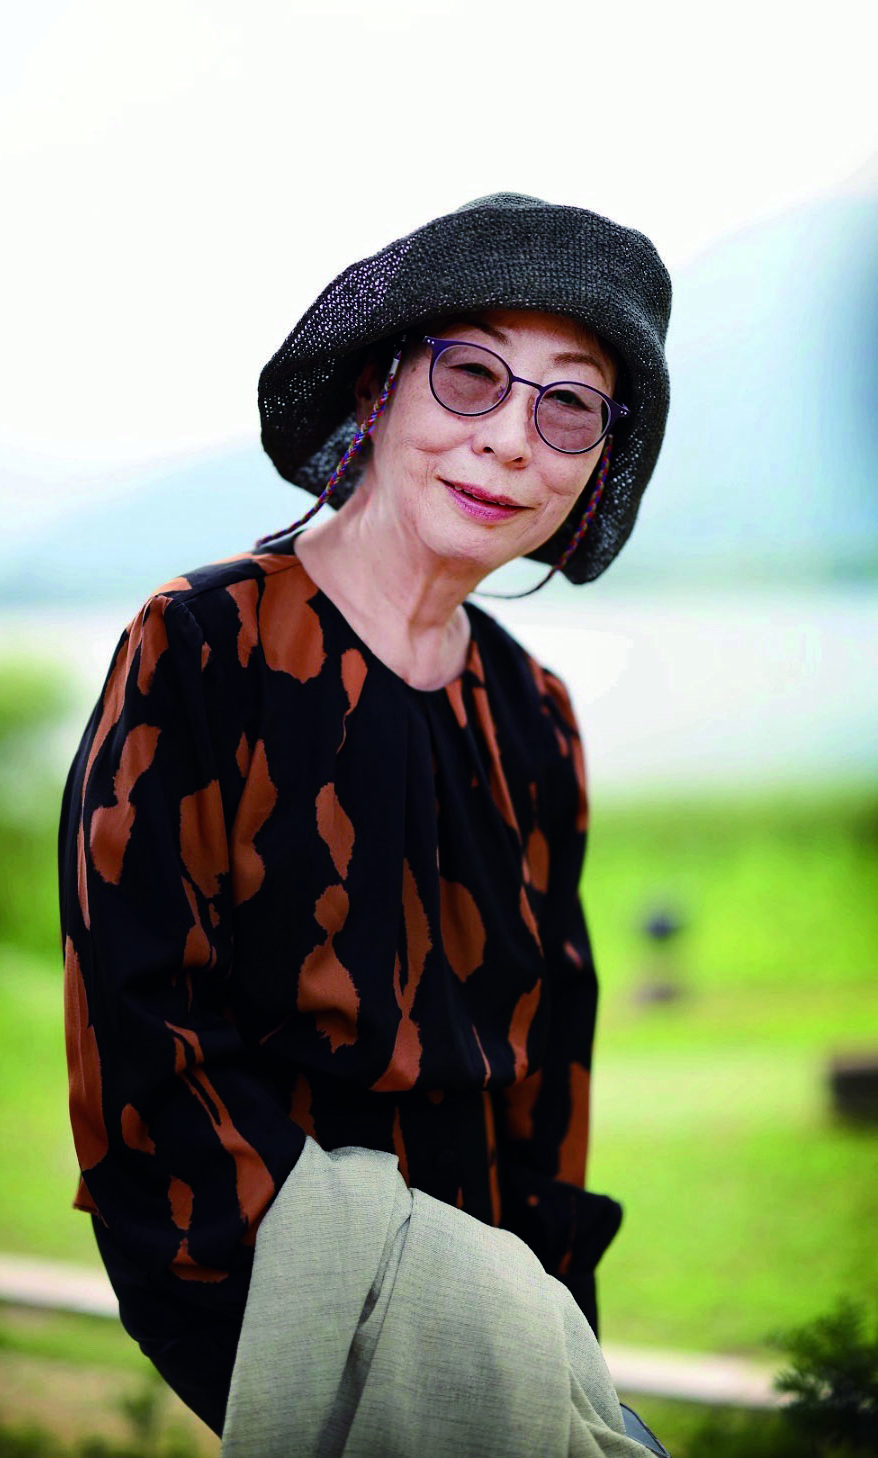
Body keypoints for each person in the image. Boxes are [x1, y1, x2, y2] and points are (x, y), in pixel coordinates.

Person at [59, 193, 672, 1451]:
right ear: (378, 390)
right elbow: (140, 1034)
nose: (512, 442)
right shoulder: (202, 645)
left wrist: (545, 1334)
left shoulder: (535, 715)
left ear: (598, 459)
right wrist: (335, 1305)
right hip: (274, 1295)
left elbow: (549, 1072)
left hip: (511, 1325)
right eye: (471, 375)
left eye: (568, 405)